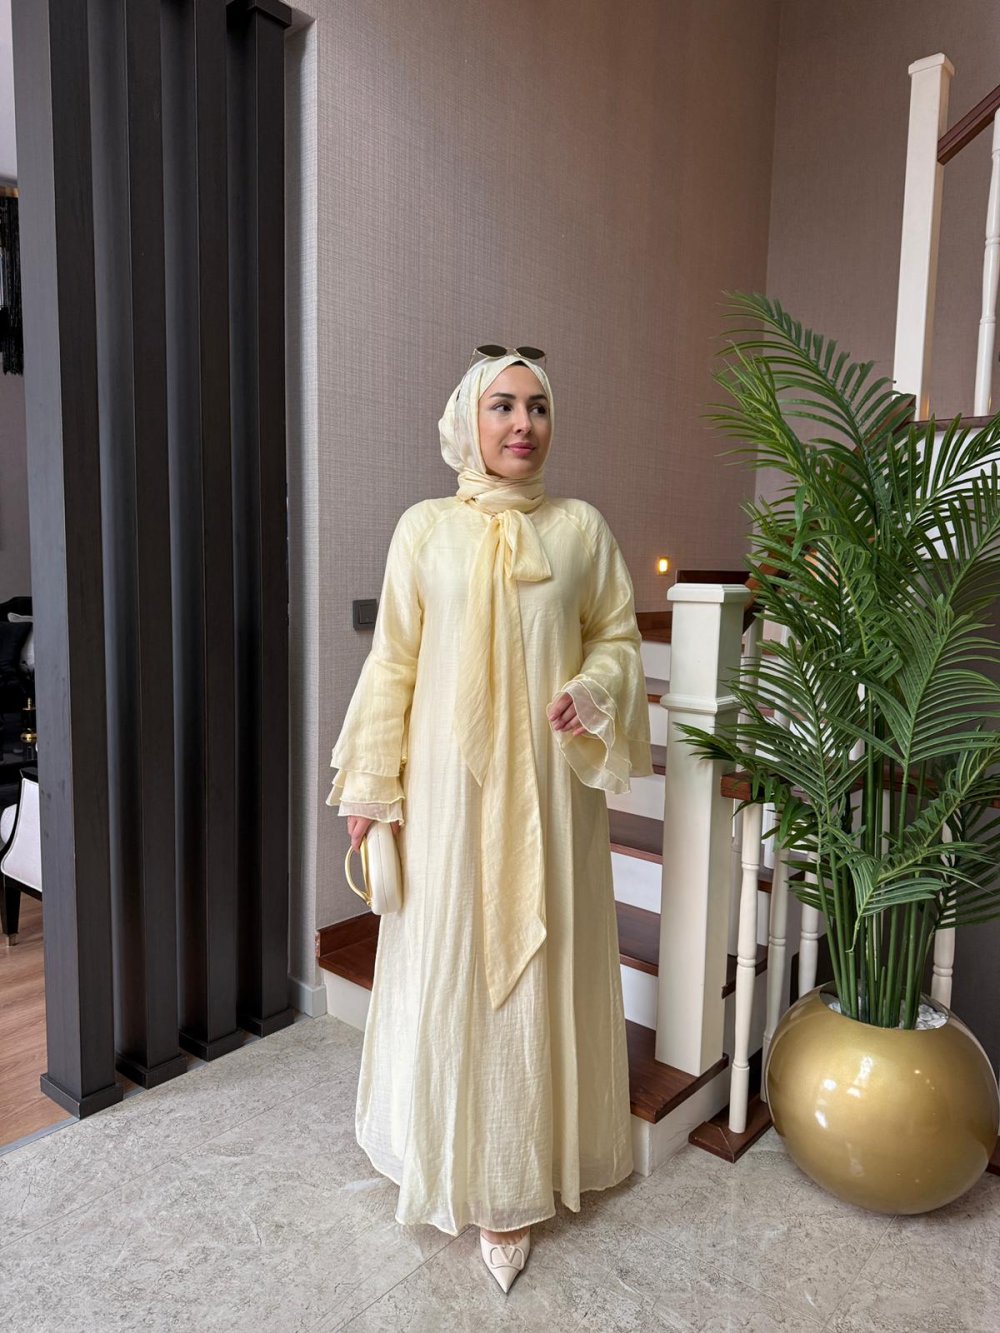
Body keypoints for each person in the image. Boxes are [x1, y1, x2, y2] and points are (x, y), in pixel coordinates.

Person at [326, 347, 653, 1293]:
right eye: (503, 405)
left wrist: (593, 691)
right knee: (448, 957)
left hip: (548, 790)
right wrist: (371, 786)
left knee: (536, 959)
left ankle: (512, 1183)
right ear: (467, 420)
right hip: (443, 793)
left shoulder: (581, 529)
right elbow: (394, 661)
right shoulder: (424, 529)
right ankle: (432, 1143)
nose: (523, 423)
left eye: (538, 407)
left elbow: (617, 637)